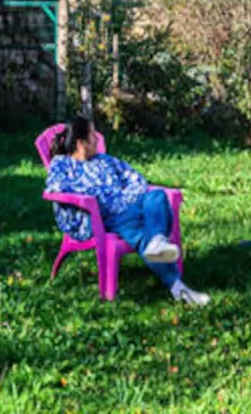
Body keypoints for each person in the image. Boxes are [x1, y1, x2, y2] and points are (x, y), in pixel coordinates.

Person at [44, 116, 210, 306]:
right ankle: (177, 286)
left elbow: (134, 178)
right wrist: (99, 200)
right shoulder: (62, 165)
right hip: (98, 216)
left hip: (126, 206)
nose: (98, 140)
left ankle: (157, 241)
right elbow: (54, 190)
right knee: (136, 230)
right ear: (81, 143)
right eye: (93, 136)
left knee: (157, 197)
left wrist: (127, 197)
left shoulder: (105, 160)